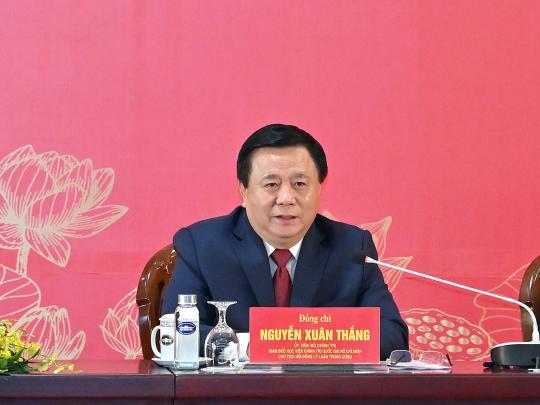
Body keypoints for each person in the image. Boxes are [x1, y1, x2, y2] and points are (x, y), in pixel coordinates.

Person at [162, 123, 408, 359]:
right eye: (271, 184)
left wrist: (301, 347)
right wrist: (262, 346)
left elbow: (392, 336)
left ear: (320, 189)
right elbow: (177, 334)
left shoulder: (352, 247)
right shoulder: (202, 245)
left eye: (300, 184)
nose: (287, 198)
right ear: (244, 191)